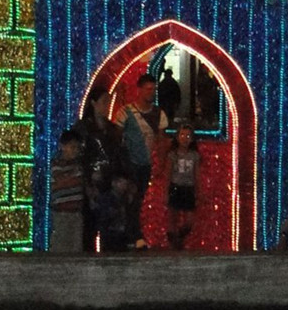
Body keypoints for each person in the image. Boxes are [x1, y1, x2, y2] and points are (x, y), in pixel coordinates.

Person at [114, 72, 168, 249]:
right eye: (148, 89)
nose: (151, 92)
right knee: (129, 199)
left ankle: (134, 236)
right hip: (128, 165)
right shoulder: (125, 113)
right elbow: (117, 139)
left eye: (154, 89)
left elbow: (161, 141)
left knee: (138, 200)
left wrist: (160, 163)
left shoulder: (159, 114)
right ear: (139, 90)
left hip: (145, 165)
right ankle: (131, 235)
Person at [73, 88, 123, 249]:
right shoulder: (83, 128)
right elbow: (79, 157)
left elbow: (119, 156)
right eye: (104, 102)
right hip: (92, 185)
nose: (107, 106)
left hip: (110, 184)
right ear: (94, 104)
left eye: (108, 102)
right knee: (90, 229)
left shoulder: (113, 130)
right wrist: (87, 181)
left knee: (112, 230)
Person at [50, 130, 85, 253]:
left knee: (76, 247)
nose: (75, 150)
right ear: (63, 147)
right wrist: (74, 175)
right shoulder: (56, 164)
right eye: (72, 147)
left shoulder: (79, 165)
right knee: (61, 247)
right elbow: (60, 181)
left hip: (76, 214)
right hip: (61, 214)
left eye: (77, 148)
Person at [166, 124, 200, 249]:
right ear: (177, 137)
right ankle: (173, 241)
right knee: (173, 217)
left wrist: (198, 191)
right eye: (182, 135)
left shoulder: (194, 155)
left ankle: (180, 236)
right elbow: (168, 174)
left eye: (188, 136)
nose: (185, 138)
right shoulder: (172, 155)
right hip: (176, 187)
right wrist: (165, 192)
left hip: (188, 187)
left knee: (189, 220)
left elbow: (197, 174)